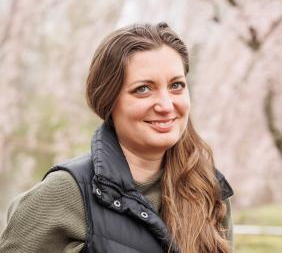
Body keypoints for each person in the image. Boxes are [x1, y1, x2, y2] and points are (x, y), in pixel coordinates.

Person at [0, 22, 233, 253]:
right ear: (109, 100)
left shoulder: (207, 188)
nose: (165, 105)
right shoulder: (66, 192)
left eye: (176, 85)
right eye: (143, 89)